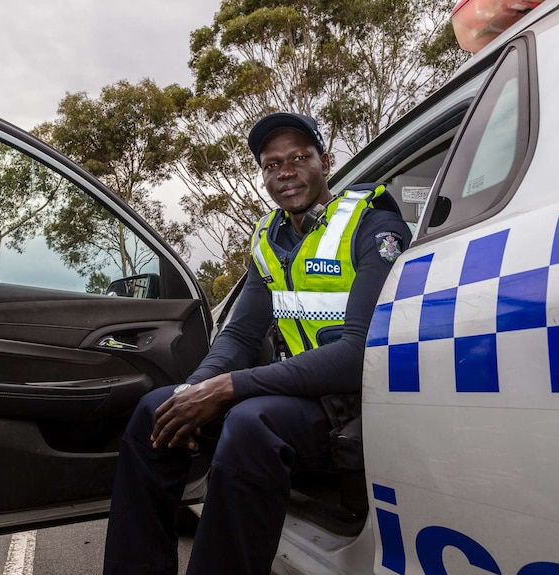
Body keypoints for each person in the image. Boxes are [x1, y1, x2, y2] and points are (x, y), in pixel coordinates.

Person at [102, 112, 411, 575]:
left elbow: (357, 354)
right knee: (156, 408)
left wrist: (228, 388)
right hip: (298, 392)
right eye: (271, 164)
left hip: (354, 399)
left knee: (251, 422)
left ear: (325, 161)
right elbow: (243, 334)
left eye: (299, 158)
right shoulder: (269, 239)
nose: (285, 172)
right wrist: (197, 389)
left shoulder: (373, 228)